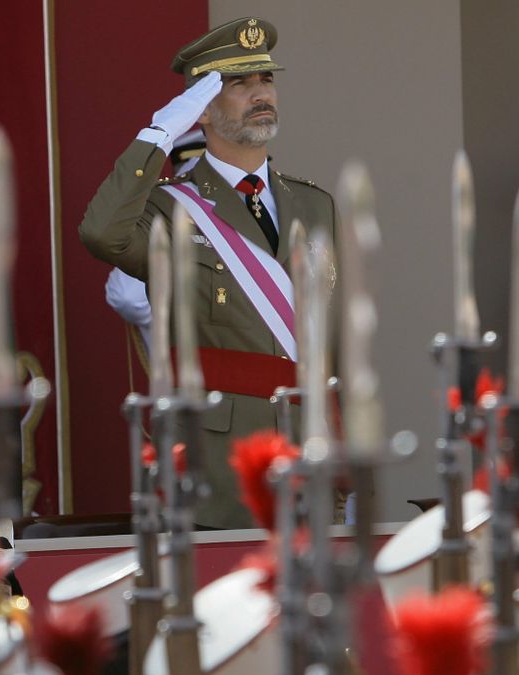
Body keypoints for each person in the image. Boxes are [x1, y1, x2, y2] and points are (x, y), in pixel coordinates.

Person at [80, 17, 337, 529]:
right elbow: (101, 233)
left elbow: (331, 343)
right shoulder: (171, 209)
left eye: (265, 79)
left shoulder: (314, 205)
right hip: (216, 466)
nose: (260, 93)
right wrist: (159, 134)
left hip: (307, 454)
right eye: (238, 84)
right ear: (201, 108)